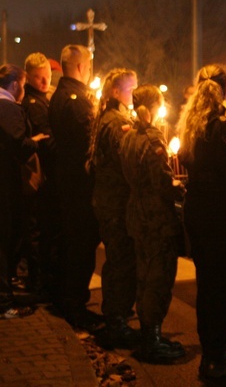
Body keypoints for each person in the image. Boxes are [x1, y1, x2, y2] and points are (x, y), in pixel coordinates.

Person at [177, 64, 226, 379]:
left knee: (208, 286)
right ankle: (216, 359)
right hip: (220, 218)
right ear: (224, 90)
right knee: (223, 288)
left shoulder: (192, 124)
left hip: (198, 213)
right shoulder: (222, 127)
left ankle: (211, 355)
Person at [120, 85, 186, 362]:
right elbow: (161, 181)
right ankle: (152, 339)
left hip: (136, 213)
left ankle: (150, 334)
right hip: (156, 218)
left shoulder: (127, 136)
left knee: (143, 276)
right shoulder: (152, 138)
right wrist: (180, 187)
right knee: (158, 278)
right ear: (152, 106)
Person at [48, 44, 103, 332]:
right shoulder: (78, 100)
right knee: (81, 246)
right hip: (80, 186)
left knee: (72, 243)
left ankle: (67, 299)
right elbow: (88, 145)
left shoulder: (58, 95)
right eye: (89, 65)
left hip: (67, 182)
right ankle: (75, 304)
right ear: (82, 67)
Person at [87, 68, 140, 347]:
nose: (135, 94)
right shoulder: (116, 121)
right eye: (131, 89)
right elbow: (129, 160)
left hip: (111, 200)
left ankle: (116, 315)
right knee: (120, 261)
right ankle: (116, 321)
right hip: (115, 202)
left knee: (118, 260)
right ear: (116, 92)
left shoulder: (111, 117)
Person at [0, 64, 47, 319]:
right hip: (6, 185)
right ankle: (5, 302)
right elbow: (18, 143)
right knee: (7, 240)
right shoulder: (7, 108)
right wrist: (35, 142)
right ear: (17, 84)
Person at [19, 53, 58, 302]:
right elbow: (47, 137)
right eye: (38, 77)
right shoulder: (32, 104)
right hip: (38, 175)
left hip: (43, 175)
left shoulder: (45, 98)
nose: (44, 82)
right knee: (36, 230)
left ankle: (40, 279)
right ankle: (38, 282)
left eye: (47, 77)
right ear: (28, 77)